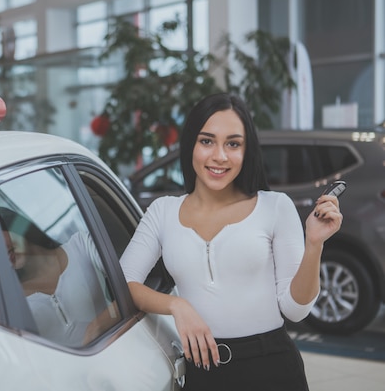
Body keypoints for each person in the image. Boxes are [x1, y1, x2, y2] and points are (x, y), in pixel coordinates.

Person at [119, 93, 343, 390]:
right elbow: (124, 283)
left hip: (272, 369)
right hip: (201, 372)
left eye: (233, 144)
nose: (220, 156)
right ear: (191, 145)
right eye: (207, 141)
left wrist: (315, 244)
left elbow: (295, 309)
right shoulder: (163, 211)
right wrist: (176, 305)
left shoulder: (275, 206)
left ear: (246, 151)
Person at [0, 206, 118, 346]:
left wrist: (96, 327)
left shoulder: (81, 247)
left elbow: (131, 286)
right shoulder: (3, 304)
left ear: (14, 224)